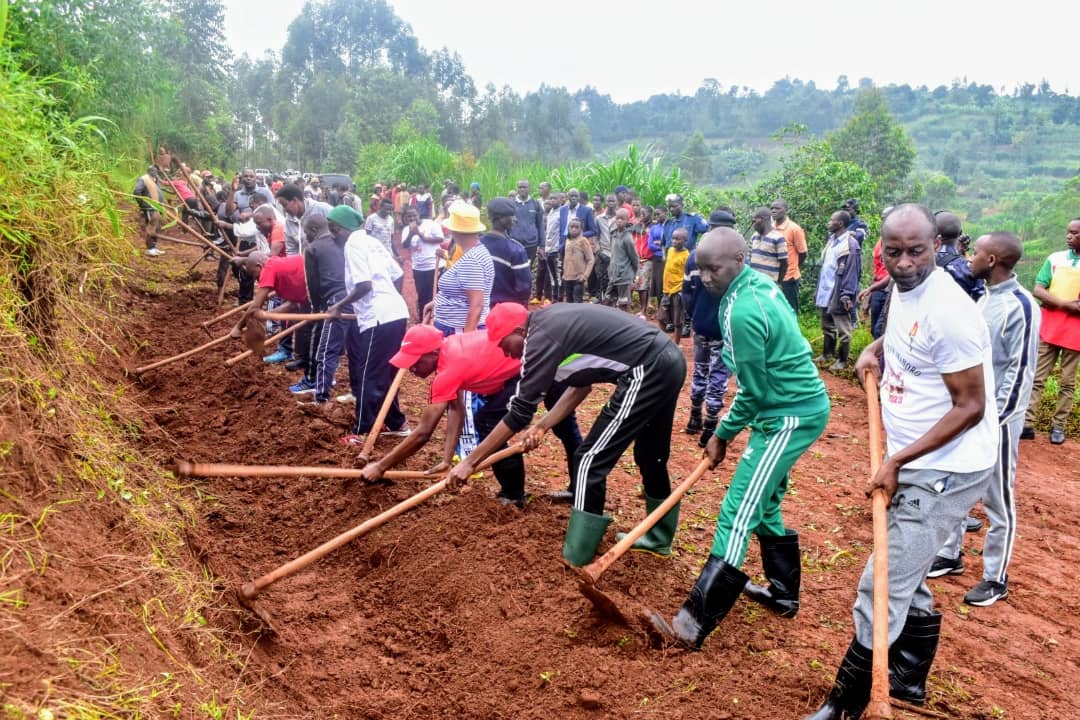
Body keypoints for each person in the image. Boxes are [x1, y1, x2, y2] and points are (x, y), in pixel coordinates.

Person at [802, 204, 997, 720]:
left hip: (945, 469)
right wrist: (878, 349)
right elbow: (914, 335)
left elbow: (971, 407)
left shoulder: (951, 311)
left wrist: (898, 460)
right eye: (895, 252)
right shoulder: (905, 291)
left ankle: (843, 705)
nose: (906, 261)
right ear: (880, 253)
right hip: (914, 456)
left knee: (881, 581)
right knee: (905, 574)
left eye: (917, 250)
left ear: (937, 246)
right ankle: (907, 682)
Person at [649, 227, 830, 650]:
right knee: (764, 502)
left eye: (716, 268)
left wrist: (722, 433)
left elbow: (756, 391)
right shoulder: (754, 287)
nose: (708, 276)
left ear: (739, 259)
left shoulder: (743, 310)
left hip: (788, 415)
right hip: (786, 408)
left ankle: (690, 626)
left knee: (738, 507)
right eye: (702, 269)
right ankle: (783, 595)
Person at [449, 302, 688, 565]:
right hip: (668, 360)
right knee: (650, 455)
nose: (505, 353)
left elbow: (518, 412)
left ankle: (577, 557)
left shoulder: (539, 339)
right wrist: (542, 426)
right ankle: (659, 539)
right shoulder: (552, 325)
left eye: (504, 343)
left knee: (589, 460)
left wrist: (471, 462)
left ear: (518, 330)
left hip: (648, 368)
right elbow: (579, 388)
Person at [927, 232, 1039, 605]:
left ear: (992, 260)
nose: (969, 257)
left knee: (998, 498)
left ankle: (995, 577)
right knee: (956, 483)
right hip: (970, 413)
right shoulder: (984, 297)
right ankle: (950, 554)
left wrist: (997, 420)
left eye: (976, 253)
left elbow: (1020, 373)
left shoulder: (1021, 307)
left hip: (999, 422)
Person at [360, 322, 583, 506]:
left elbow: (423, 433)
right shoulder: (450, 348)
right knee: (564, 428)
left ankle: (514, 495)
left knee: (490, 421)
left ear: (433, 352)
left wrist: (381, 466)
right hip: (541, 360)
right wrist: (447, 459)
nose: (412, 368)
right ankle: (572, 490)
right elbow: (456, 409)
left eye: (416, 361)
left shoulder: (449, 370)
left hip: (540, 365)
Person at [326, 219, 410, 442]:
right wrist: (389, 299)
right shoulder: (371, 241)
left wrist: (338, 306)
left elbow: (364, 286)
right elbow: (397, 274)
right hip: (395, 312)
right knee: (386, 372)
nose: (333, 235)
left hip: (379, 318)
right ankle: (396, 422)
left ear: (338, 228)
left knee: (368, 375)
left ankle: (362, 431)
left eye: (332, 229)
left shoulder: (352, 245)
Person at [1021, 218, 1080, 446]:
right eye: (1068, 232)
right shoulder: (1055, 259)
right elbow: (1038, 288)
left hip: (1075, 332)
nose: (1069, 236)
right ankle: (1027, 423)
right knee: (1038, 377)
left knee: (1067, 382)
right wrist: (1065, 305)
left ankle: (1059, 426)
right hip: (1050, 326)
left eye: (1075, 233)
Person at [681, 214, 734, 443]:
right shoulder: (736, 261)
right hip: (724, 327)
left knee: (700, 371)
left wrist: (694, 316)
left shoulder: (694, 257)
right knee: (719, 376)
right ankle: (710, 427)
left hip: (701, 324)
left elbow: (687, 293)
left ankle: (694, 418)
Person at [296, 210, 352, 404]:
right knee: (353, 348)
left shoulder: (313, 248)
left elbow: (313, 283)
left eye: (306, 232)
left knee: (325, 350)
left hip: (335, 301)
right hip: (355, 297)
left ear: (313, 229)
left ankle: (320, 396)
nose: (306, 236)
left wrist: (317, 308)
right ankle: (355, 391)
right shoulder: (344, 242)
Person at [426, 201, 494, 336]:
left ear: (455, 230)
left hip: (457, 330)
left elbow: (476, 306)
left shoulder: (471, 260)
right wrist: (437, 302)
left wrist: (465, 343)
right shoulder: (476, 251)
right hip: (456, 327)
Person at [234, 251, 310, 366]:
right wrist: (264, 317)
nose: (257, 280)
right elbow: (292, 304)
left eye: (255, 275)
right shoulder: (276, 265)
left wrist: (238, 327)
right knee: (306, 330)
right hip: (310, 291)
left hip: (317, 288)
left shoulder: (268, 268)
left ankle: (313, 370)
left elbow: (255, 307)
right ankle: (304, 360)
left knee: (312, 331)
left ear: (259, 266)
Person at [814, 211, 861, 371]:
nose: (829, 222)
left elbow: (852, 272)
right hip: (826, 290)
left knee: (843, 329)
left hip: (839, 291)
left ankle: (842, 360)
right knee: (827, 324)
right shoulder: (832, 240)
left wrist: (846, 294)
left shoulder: (850, 244)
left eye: (831, 220)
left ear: (840, 223)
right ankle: (827, 354)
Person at [482, 198, 532, 306]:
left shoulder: (479, 244)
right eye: (512, 216)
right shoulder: (516, 250)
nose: (515, 219)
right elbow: (524, 288)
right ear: (500, 218)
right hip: (507, 310)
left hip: (482, 308)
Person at [857, 206, 895, 339]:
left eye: (888, 218)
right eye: (883, 218)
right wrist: (870, 295)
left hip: (889, 290)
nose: (885, 221)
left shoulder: (898, 240)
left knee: (882, 330)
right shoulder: (881, 240)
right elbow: (877, 270)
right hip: (878, 289)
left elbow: (893, 274)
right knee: (875, 330)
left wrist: (871, 289)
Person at [402, 207, 442, 320]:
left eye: (414, 215)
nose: (412, 218)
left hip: (433, 265)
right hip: (418, 268)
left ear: (418, 214)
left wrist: (420, 235)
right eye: (409, 216)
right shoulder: (406, 229)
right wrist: (411, 233)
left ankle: (436, 319)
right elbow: (405, 245)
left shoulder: (431, 224)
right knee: (421, 294)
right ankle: (423, 319)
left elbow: (440, 239)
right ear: (405, 218)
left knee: (435, 294)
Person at [934, 211, 984, 301]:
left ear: (932, 233)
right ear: (960, 233)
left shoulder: (919, 263)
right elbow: (981, 301)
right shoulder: (971, 269)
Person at [771, 199, 808, 313]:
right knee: (775, 309)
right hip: (772, 277)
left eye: (777, 208)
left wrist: (793, 267)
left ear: (786, 210)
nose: (773, 211)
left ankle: (793, 330)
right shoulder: (770, 228)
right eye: (772, 208)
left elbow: (803, 253)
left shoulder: (794, 229)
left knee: (790, 310)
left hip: (789, 278)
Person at [659, 229, 690, 342]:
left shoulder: (686, 256)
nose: (674, 241)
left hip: (677, 290)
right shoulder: (670, 250)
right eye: (673, 238)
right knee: (661, 318)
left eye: (678, 239)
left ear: (685, 240)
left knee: (677, 320)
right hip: (666, 290)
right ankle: (660, 342)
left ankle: (676, 344)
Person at [606, 208, 638, 311]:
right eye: (618, 218)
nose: (619, 221)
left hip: (624, 276)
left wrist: (634, 275)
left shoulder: (627, 238)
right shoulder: (613, 234)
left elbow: (634, 257)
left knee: (624, 304)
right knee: (609, 300)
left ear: (627, 221)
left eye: (622, 219)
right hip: (613, 274)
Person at [747, 207, 788, 283]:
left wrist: (777, 283)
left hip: (769, 284)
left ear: (764, 220)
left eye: (754, 221)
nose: (753, 224)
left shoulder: (778, 238)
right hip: (753, 282)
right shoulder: (754, 237)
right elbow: (749, 260)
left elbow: (784, 264)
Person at [509, 179, 544, 266]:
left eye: (524, 187)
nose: (522, 189)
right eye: (520, 187)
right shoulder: (511, 204)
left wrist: (542, 245)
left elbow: (540, 225)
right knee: (515, 268)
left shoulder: (535, 204)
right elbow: (506, 225)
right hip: (514, 243)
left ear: (529, 189)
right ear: (517, 189)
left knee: (528, 269)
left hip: (531, 245)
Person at [133, 167, 164, 256]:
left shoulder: (154, 180)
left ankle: (154, 247)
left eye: (155, 171)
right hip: (150, 208)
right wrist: (143, 204)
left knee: (156, 228)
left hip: (157, 208)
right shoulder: (144, 179)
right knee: (151, 227)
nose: (155, 172)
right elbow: (136, 191)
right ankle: (149, 249)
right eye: (153, 171)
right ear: (149, 171)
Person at [561, 218, 594, 304]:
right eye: (571, 227)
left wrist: (585, 276)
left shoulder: (583, 241)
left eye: (576, 227)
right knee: (569, 301)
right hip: (567, 277)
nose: (574, 229)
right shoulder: (567, 240)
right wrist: (564, 273)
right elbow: (565, 258)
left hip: (578, 278)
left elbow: (591, 259)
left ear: (581, 229)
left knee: (577, 302)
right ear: (568, 228)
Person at [631, 206, 656, 317]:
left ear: (650, 215)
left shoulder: (653, 227)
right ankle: (631, 307)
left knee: (643, 286)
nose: (641, 216)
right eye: (640, 214)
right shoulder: (637, 227)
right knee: (634, 284)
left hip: (647, 260)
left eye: (644, 214)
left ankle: (643, 310)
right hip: (636, 259)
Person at [364, 197, 400, 263]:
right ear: (380, 207)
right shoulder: (371, 218)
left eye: (390, 210)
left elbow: (391, 239)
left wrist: (397, 255)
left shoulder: (391, 220)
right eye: (386, 209)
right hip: (375, 253)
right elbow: (366, 238)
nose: (388, 212)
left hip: (388, 253)